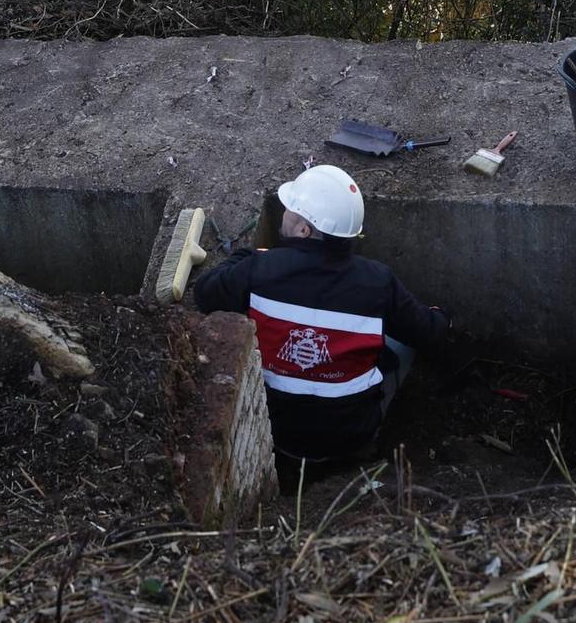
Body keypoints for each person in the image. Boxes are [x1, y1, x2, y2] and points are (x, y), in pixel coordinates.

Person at [193, 164, 450, 462]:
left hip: (277, 434)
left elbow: (205, 294)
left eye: (290, 209)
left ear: (304, 230)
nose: (284, 213)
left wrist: (246, 256)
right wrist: (444, 317)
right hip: (351, 438)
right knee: (400, 336)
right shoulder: (378, 281)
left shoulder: (258, 269)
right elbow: (429, 333)